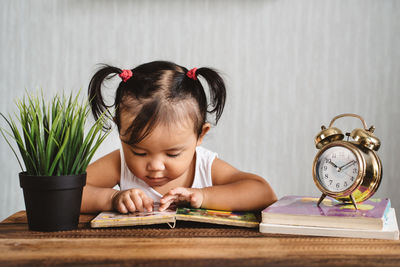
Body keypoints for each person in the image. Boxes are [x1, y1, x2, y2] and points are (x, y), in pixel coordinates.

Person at [81, 60, 277, 214]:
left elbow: (263, 192)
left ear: (201, 134)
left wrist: (203, 197)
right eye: (139, 152)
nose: (155, 166)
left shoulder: (204, 166)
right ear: (120, 130)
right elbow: (67, 194)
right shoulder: (119, 163)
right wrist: (111, 199)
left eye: (173, 154)